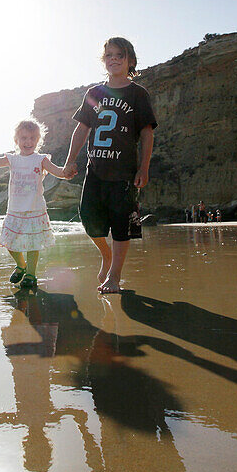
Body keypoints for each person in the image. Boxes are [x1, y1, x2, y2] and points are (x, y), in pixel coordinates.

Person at [62, 37, 156, 293]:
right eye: (109, 55)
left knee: (121, 224)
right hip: (96, 170)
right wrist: (71, 160)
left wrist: (143, 168)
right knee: (89, 219)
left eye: (119, 55)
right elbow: (81, 129)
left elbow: (147, 132)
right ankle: (106, 255)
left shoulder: (138, 93)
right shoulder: (94, 93)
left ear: (130, 60)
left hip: (124, 173)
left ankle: (114, 276)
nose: (113, 59)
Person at [0, 119, 72, 290]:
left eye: (33, 138)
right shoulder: (12, 159)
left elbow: (58, 172)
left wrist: (68, 172)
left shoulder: (41, 159)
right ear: (16, 140)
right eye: (24, 138)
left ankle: (31, 275)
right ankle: (21, 265)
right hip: (15, 210)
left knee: (34, 244)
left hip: (35, 209)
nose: (28, 142)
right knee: (9, 242)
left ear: (38, 140)